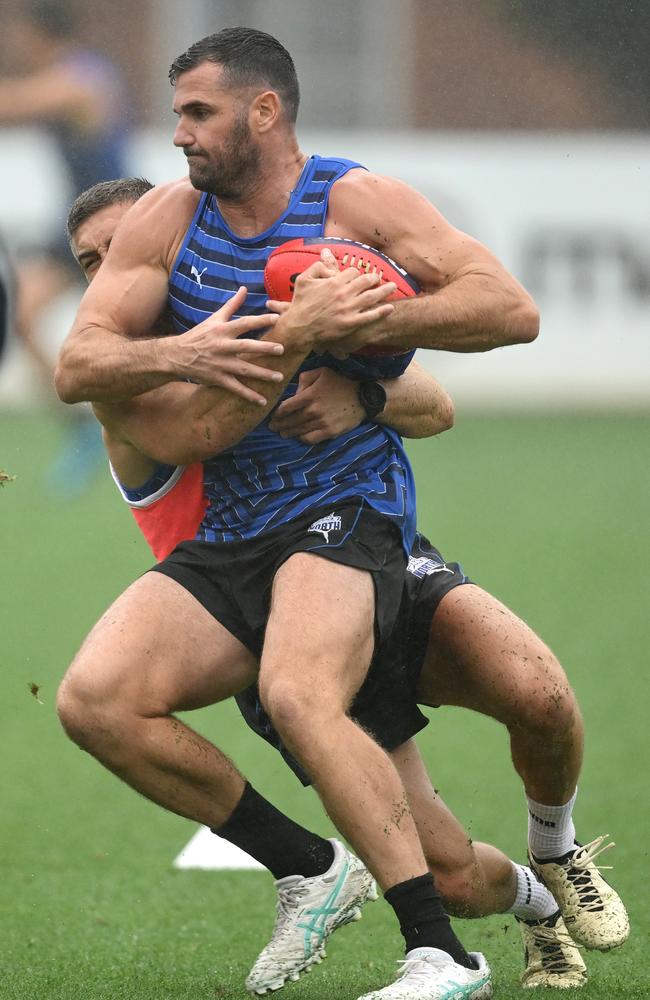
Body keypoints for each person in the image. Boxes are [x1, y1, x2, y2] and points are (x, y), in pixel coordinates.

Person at [52, 27, 554, 1000]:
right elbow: (99, 376)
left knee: (337, 691)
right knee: (93, 699)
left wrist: (367, 326)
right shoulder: (163, 226)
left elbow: (505, 310)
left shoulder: (353, 199)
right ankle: (309, 864)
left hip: (347, 510)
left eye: (197, 113)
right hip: (236, 534)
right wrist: (224, 346)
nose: (179, 135)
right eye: (175, 115)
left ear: (263, 110)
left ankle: (449, 949)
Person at [0, 0, 129, 494]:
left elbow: (16, 103)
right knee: (24, 317)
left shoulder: (80, 78)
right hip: (75, 226)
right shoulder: (61, 74)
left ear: (40, 34)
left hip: (118, 226)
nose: (12, 46)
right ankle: (84, 434)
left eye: (18, 35)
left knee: (137, 337)